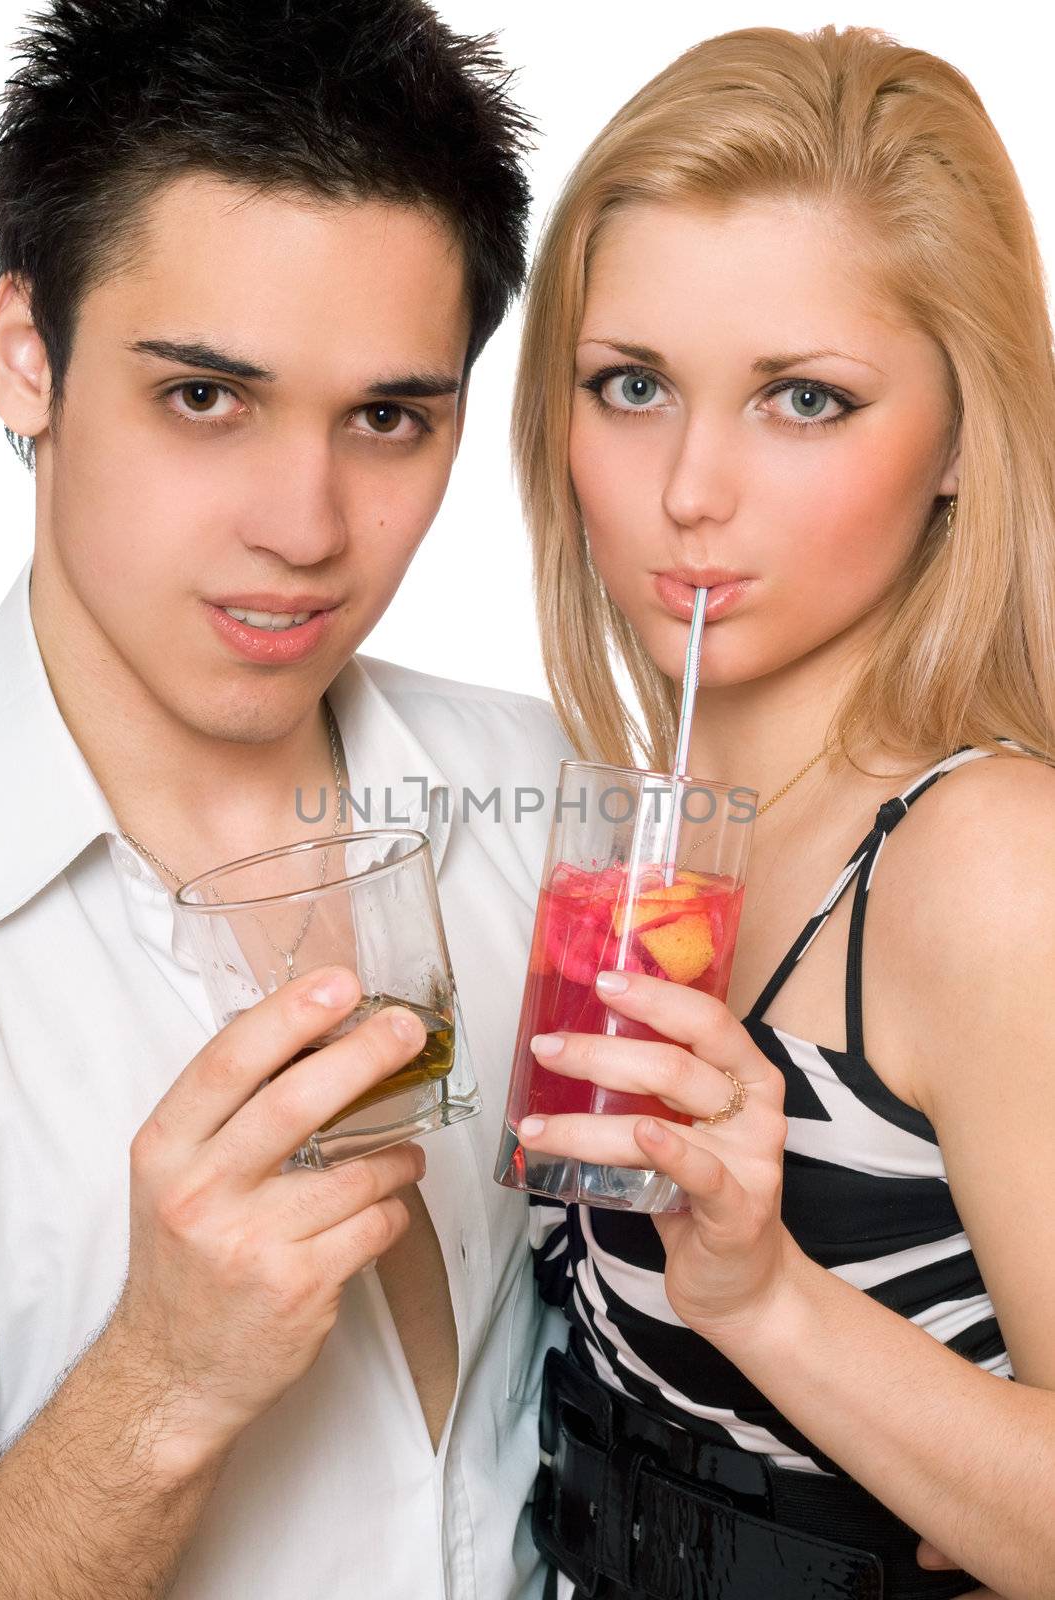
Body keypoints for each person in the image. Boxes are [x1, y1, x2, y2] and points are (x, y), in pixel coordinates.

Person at [0, 2, 572, 1595]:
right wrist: (162, 1384)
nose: (305, 529)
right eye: (205, 398)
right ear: (24, 356)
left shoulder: (554, 798)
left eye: (388, 417)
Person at [510, 22, 1055, 1600]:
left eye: (803, 400)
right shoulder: (605, 836)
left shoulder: (988, 867)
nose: (692, 486)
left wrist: (767, 1300)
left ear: (961, 435)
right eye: (631, 385)